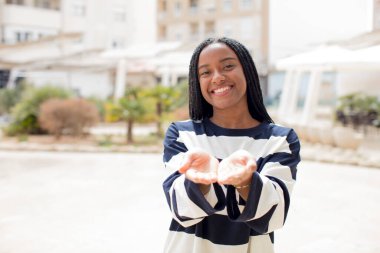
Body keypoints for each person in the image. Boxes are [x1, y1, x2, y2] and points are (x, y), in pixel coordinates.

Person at [162, 37, 301, 253]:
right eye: (205, 72)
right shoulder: (182, 134)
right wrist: (200, 182)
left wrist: (246, 181)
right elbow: (180, 209)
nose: (217, 77)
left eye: (228, 66)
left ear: (247, 70)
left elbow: (275, 216)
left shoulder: (280, 140)